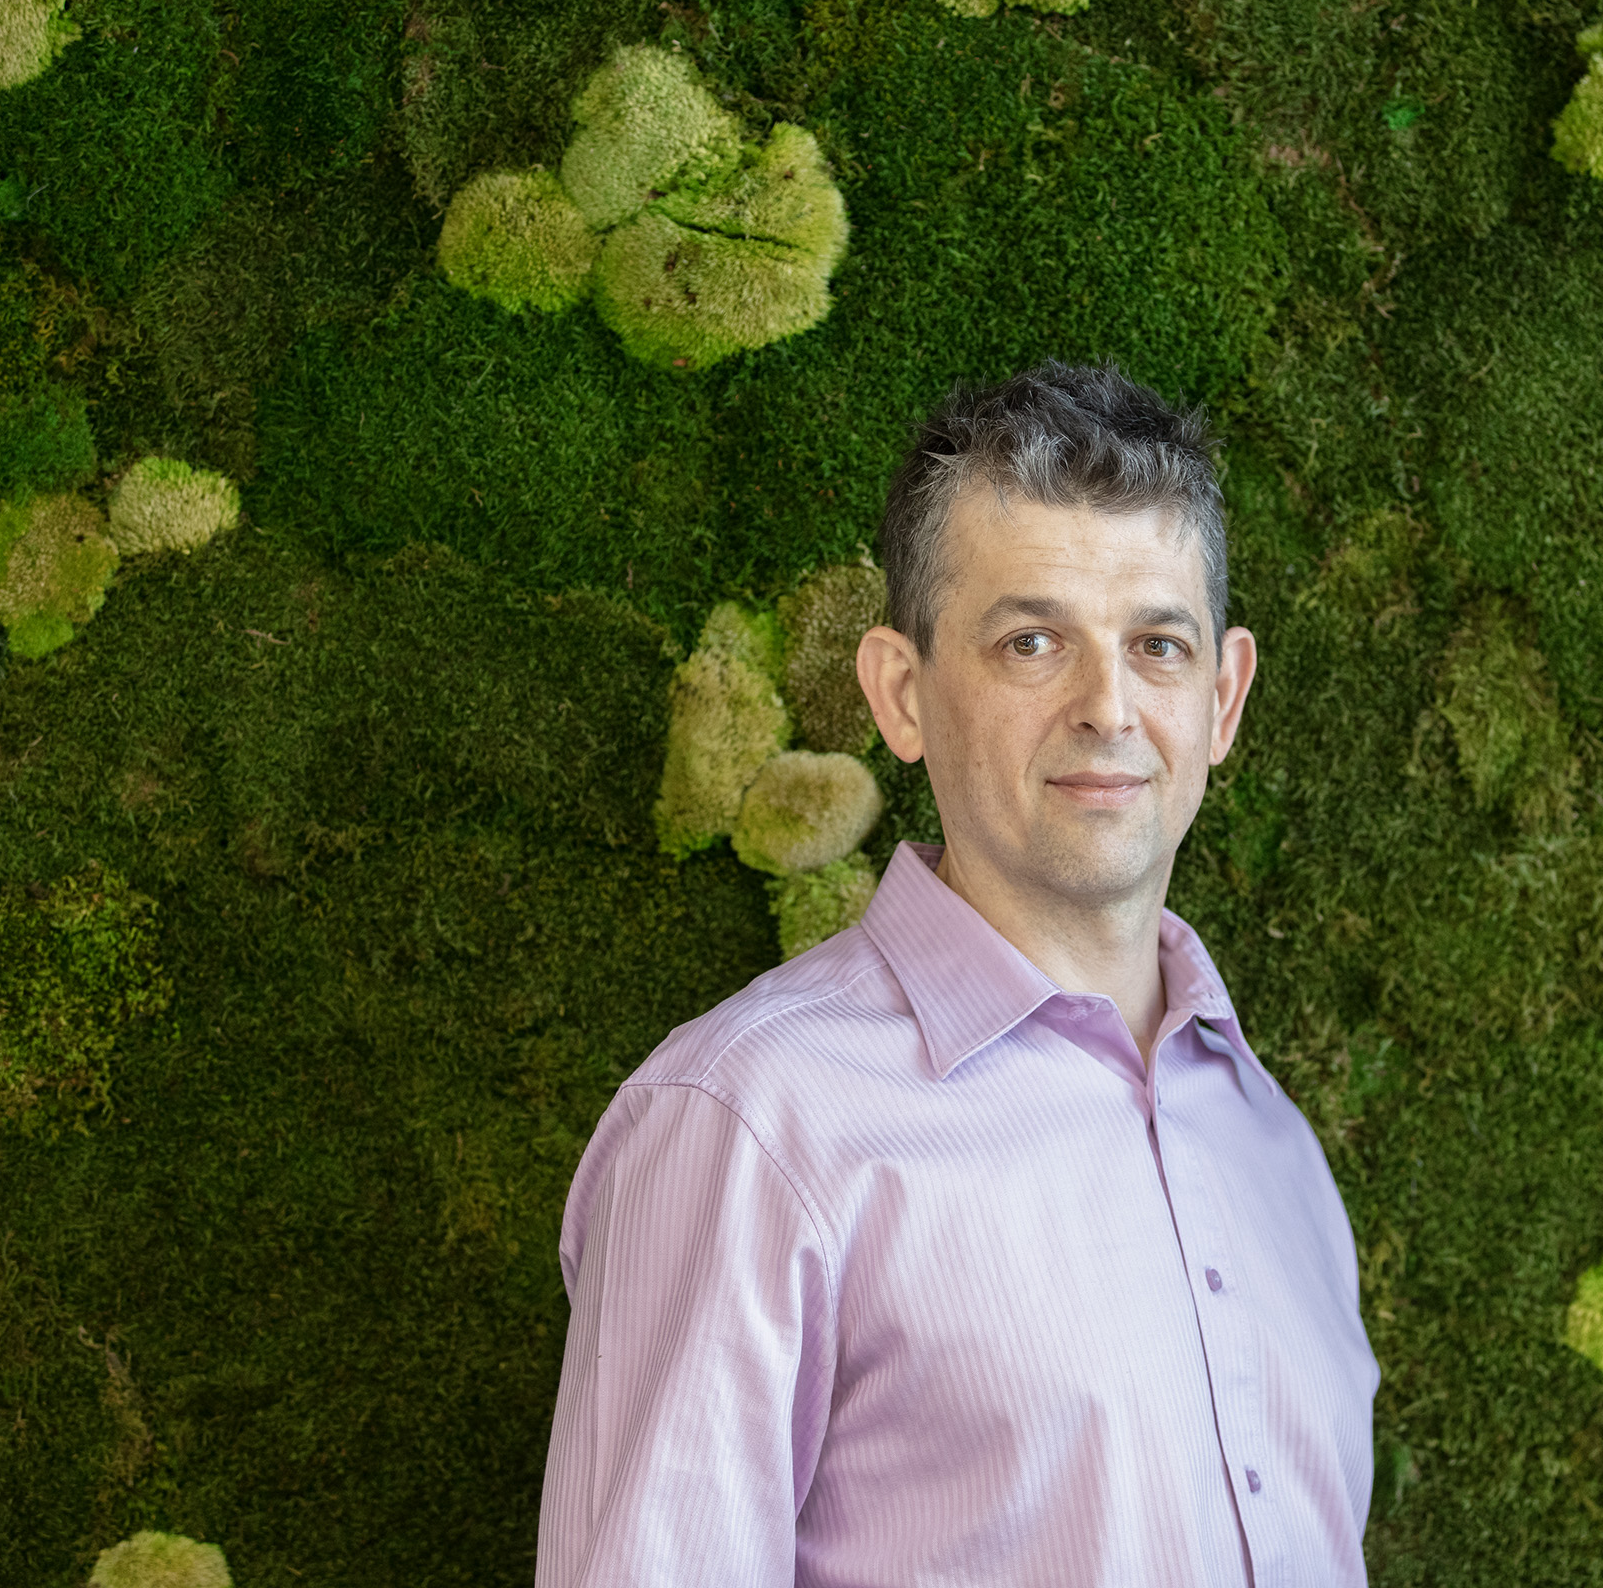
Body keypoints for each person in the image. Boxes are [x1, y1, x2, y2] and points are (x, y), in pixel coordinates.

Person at [536, 360, 1381, 1586]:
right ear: (900, 691)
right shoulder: (746, 1127)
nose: (1109, 706)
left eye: (1158, 644)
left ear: (1225, 696)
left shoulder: (1270, 1141)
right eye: (1032, 641)